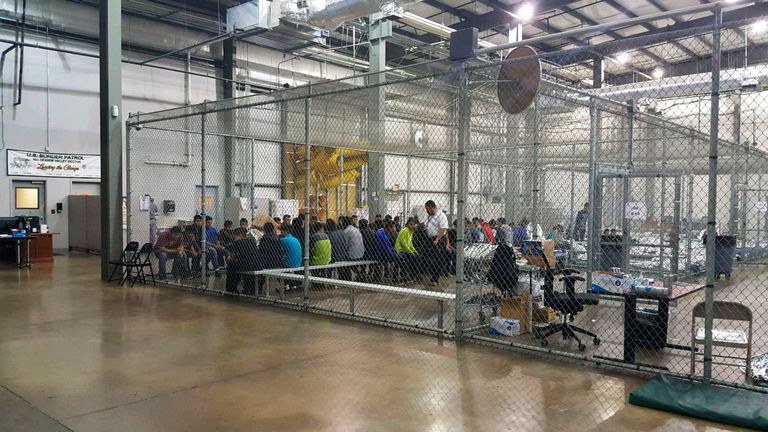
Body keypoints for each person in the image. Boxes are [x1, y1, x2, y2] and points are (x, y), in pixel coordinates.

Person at [225, 228, 260, 295]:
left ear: (240, 235)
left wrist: (228, 260)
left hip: (247, 265)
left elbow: (231, 252)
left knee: (231, 267)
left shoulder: (238, 242)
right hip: (257, 264)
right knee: (237, 265)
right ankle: (247, 288)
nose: (234, 238)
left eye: (235, 236)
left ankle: (230, 289)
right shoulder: (252, 241)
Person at [424, 200, 451, 285]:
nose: (426, 211)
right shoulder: (430, 216)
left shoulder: (441, 215)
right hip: (429, 239)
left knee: (438, 260)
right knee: (429, 259)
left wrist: (437, 239)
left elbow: (443, 229)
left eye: (427, 209)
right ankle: (433, 276)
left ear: (431, 207)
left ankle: (435, 279)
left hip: (438, 240)